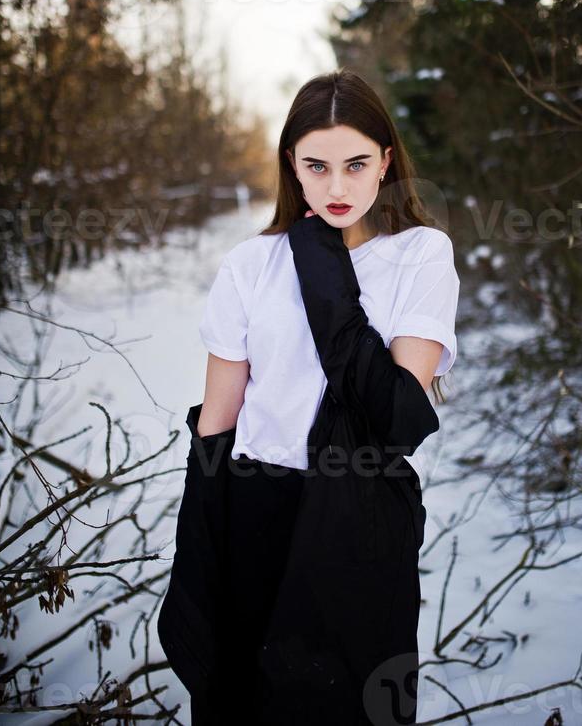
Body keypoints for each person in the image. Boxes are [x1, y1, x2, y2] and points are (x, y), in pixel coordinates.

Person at [165, 68, 460, 724]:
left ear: (386, 162)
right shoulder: (250, 265)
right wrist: (201, 559)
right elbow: (218, 420)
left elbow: (396, 419)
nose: (336, 187)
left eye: (356, 164)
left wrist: (323, 264)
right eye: (316, 165)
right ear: (291, 166)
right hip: (256, 510)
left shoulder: (422, 255)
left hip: (364, 514)